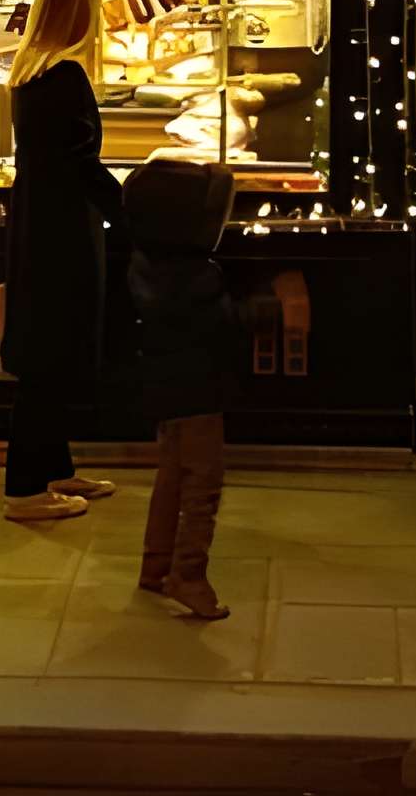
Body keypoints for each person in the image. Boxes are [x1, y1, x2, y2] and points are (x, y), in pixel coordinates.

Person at [0, 0, 124, 521]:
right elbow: (81, 162)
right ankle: (25, 489)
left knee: (44, 353)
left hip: (37, 226)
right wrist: (129, 210)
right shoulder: (67, 74)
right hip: (63, 234)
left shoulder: (30, 72)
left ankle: (55, 467)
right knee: (51, 358)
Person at [121, 158, 248, 621]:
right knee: (203, 485)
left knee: (172, 475)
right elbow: (223, 328)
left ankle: (155, 565)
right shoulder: (195, 276)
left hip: (166, 387)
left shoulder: (149, 263)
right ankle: (189, 575)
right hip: (197, 389)